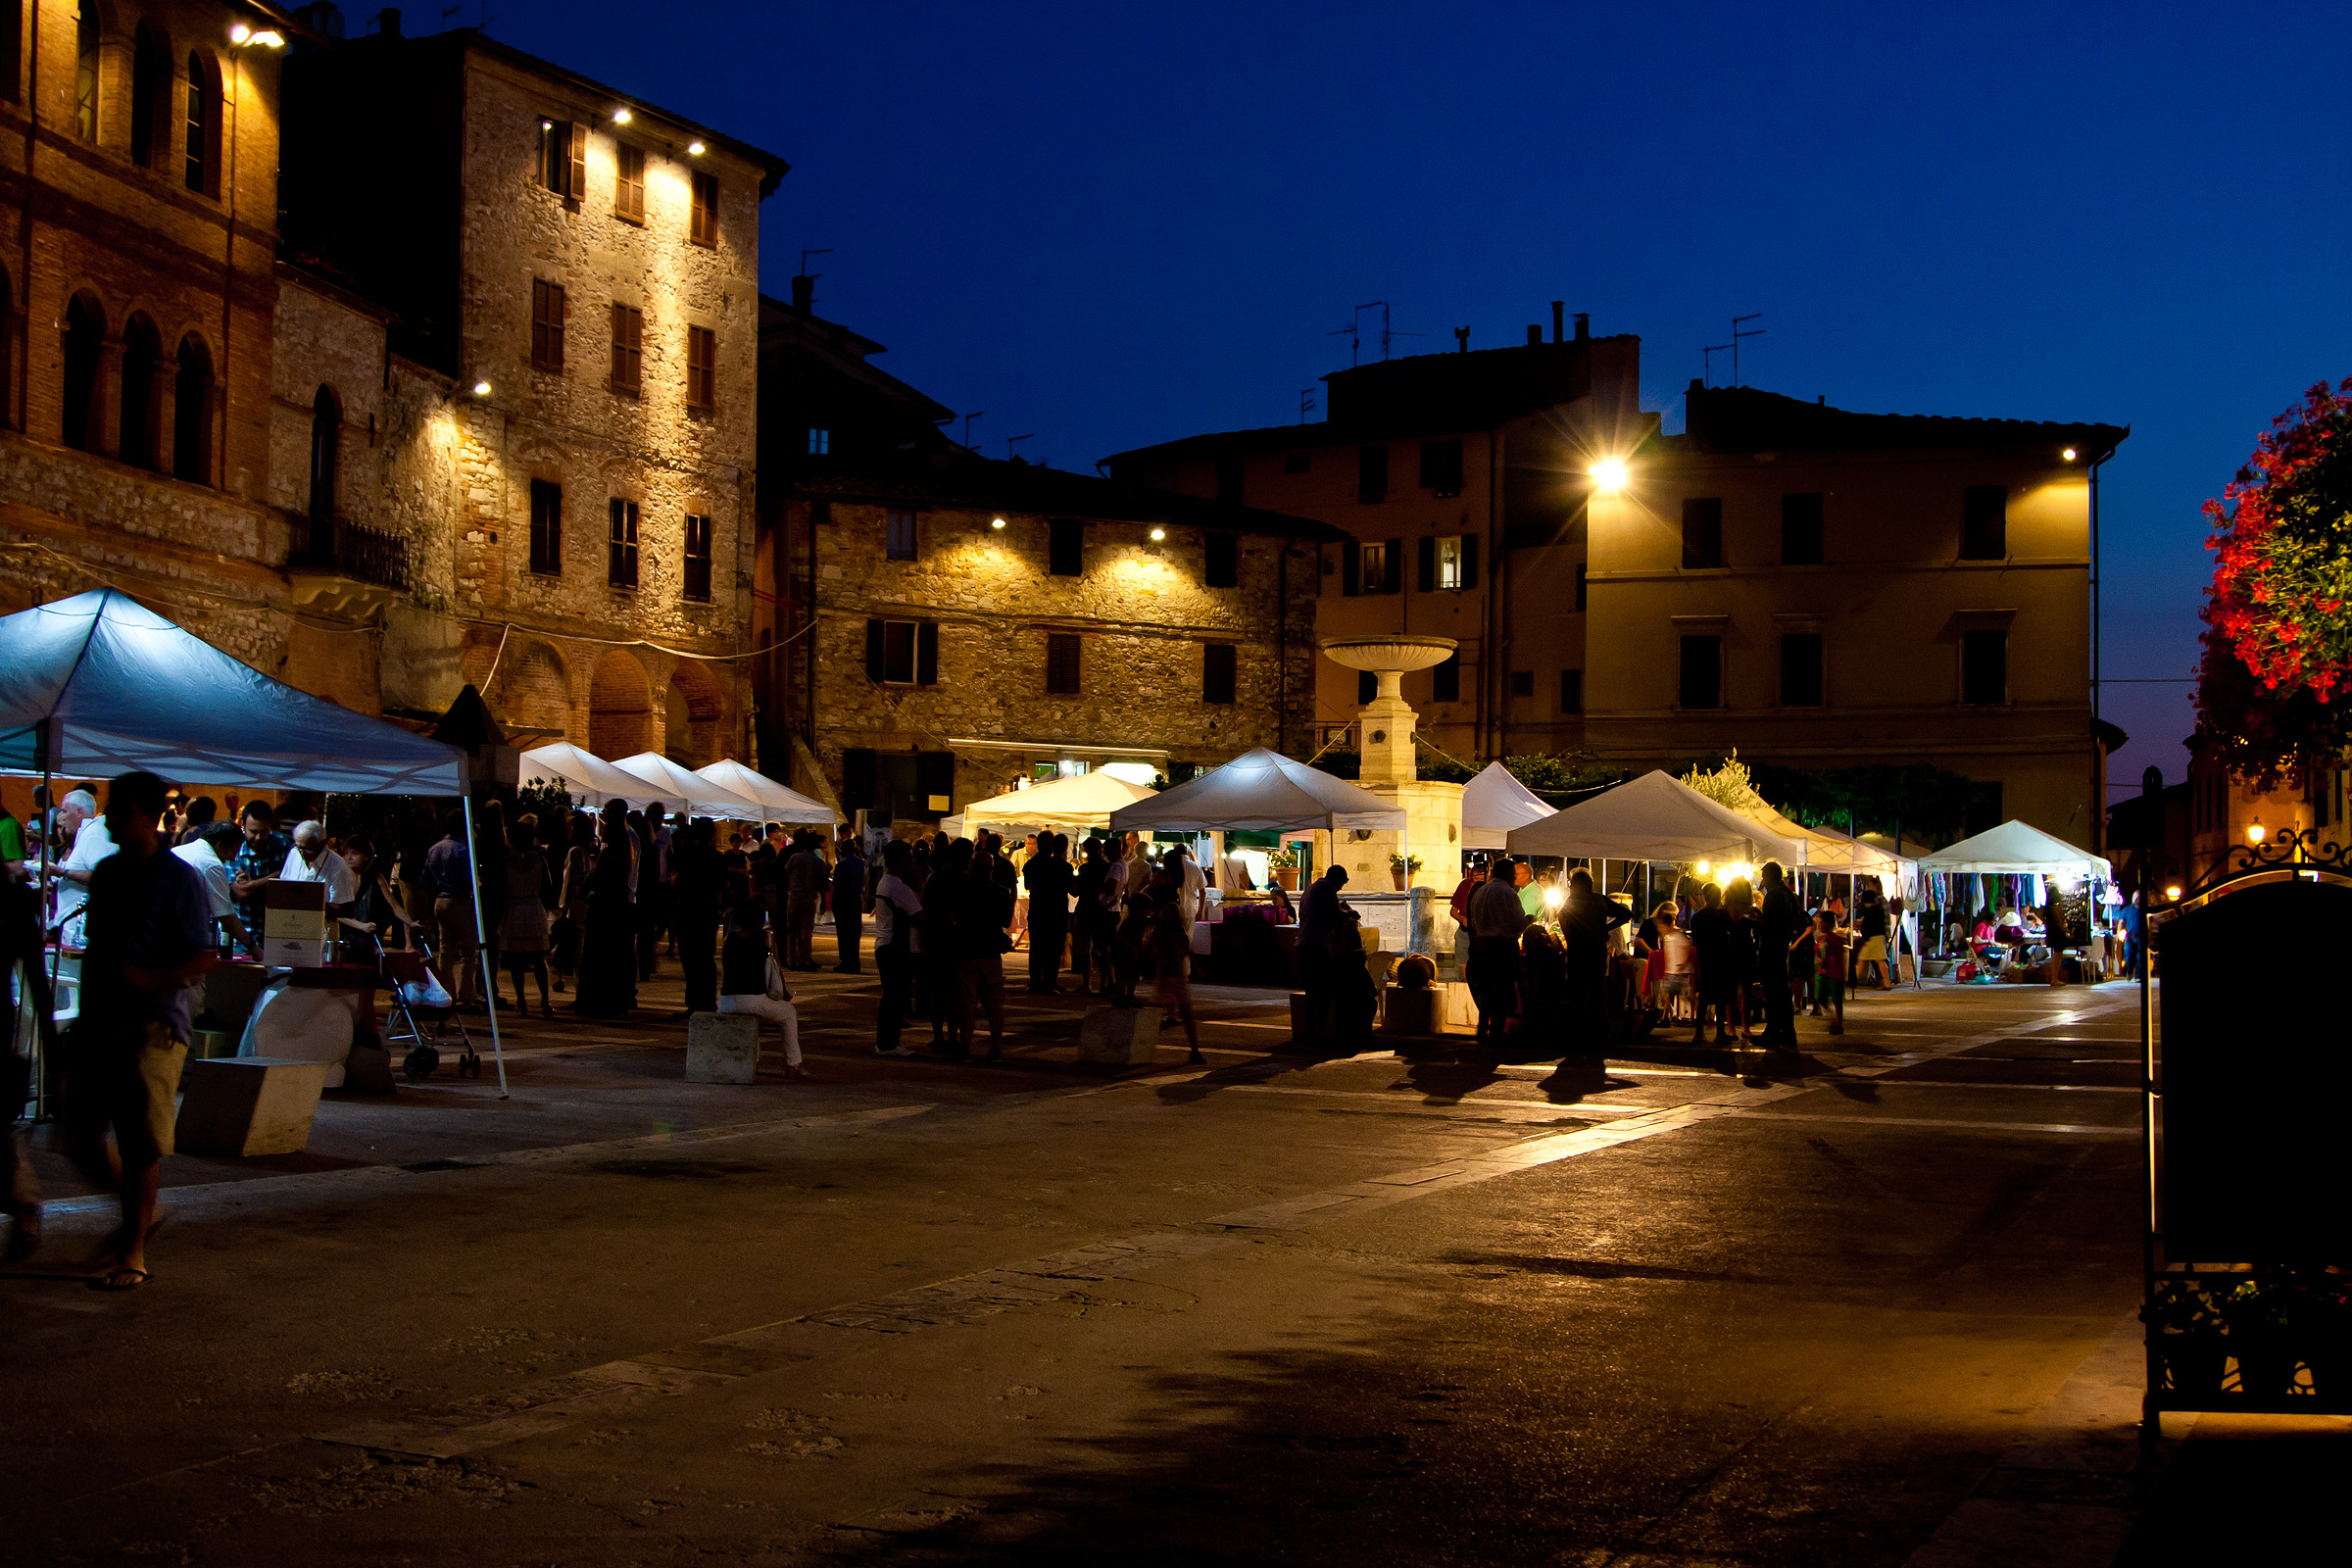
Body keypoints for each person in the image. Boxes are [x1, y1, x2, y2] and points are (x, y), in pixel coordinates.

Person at [61, 772, 216, 1291]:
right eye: (110, 808)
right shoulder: (106, 873)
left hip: (153, 1024)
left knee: (139, 1143)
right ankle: (142, 1215)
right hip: (102, 1018)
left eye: (122, 809)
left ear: (149, 815)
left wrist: (150, 979)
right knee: (79, 1135)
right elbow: (101, 945)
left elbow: (203, 955)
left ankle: (133, 1249)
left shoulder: (180, 878)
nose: (110, 818)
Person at [717, 901, 806, 1079]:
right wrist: (784, 993)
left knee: (752, 1017)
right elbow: (776, 967)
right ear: (760, 921)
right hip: (753, 999)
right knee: (788, 1013)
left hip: (726, 1002)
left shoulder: (729, 939)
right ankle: (793, 1065)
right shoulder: (766, 938)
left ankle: (754, 1060)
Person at [571, 803, 639, 1018]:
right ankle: (610, 1000)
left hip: (606, 907)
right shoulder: (624, 845)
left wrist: (585, 888)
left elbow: (598, 876)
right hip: (615, 905)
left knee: (599, 954)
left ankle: (597, 1000)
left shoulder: (613, 849)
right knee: (611, 955)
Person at [1557, 867, 1631, 1051]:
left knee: (1577, 994)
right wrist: (1605, 928)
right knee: (1596, 993)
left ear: (1574, 885)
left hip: (1576, 953)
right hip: (1597, 952)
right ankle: (1599, 1035)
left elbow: (1563, 922)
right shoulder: (1599, 899)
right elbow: (1626, 914)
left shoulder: (1571, 902)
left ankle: (1578, 1034)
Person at [955, 840, 1013, 1062]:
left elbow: (955, 916)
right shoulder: (1000, 892)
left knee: (967, 1004)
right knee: (994, 1004)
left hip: (967, 950)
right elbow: (1006, 921)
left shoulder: (962, 888)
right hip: (991, 951)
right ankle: (996, 1047)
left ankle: (965, 1047)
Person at [1465, 856, 1531, 1045]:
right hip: (1502, 946)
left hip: (1482, 945)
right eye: (1513, 874)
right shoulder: (1508, 894)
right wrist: (1528, 921)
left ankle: (1483, 1026)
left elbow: (1474, 920)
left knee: (1486, 989)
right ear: (1508, 874)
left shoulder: (1482, 891)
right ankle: (1496, 1028)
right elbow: (1518, 922)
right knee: (1502, 989)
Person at [419, 810, 482, 1006]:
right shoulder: (463, 850)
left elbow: (425, 878)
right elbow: (467, 879)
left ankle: (446, 992)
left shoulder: (434, 849)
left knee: (446, 950)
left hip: (440, 900)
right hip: (460, 901)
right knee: (468, 952)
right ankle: (466, 995)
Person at [870, 841, 923, 1058]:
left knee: (891, 996)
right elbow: (921, 918)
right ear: (899, 859)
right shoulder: (899, 888)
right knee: (894, 997)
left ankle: (887, 1041)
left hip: (884, 946)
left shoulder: (885, 883)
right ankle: (888, 1043)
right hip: (894, 948)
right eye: (908, 856)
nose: (911, 860)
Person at [499, 819, 553, 1017]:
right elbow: (548, 884)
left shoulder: (505, 860)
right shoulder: (539, 858)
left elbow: (502, 886)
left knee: (516, 960)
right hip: (532, 906)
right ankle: (545, 1000)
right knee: (539, 957)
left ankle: (521, 1000)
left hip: (514, 907)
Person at [670, 817, 724, 1015]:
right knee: (705, 958)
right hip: (707, 911)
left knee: (690, 959)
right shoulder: (717, 858)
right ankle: (707, 1001)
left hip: (688, 910)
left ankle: (694, 1002)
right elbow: (721, 885)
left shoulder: (686, 856)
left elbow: (677, 883)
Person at [1298, 863, 1351, 1033]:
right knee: (1324, 991)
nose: (1341, 887)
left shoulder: (1311, 888)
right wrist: (1349, 914)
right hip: (1318, 945)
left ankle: (1310, 1029)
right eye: (1342, 883)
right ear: (1336, 879)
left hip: (1304, 944)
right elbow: (1335, 915)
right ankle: (1321, 1029)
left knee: (1311, 991)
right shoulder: (1328, 888)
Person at [1151, 902, 1206, 1063]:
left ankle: (1195, 1050)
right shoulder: (1163, 932)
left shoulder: (1174, 932)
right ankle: (1194, 1050)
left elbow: (1187, 950)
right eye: (1165, 915)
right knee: (1154, 1014)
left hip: (1176, 976)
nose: (1167, 918)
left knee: (1186, 1014)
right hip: (1166, 976)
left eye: (1170, 915)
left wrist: (1196, 968)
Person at [1754, 861, 1800, 1050]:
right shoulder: (1790, 896)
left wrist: (1756, 919)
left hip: (1772, 947)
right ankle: (1787, 1031)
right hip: (1782, 946)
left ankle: (1773, 1031)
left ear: (1771, 876)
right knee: (1782, 991)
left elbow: (1769, 924)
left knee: (1773, 991)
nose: (1762, 880)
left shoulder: (1774, 895)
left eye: (1764, 876)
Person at [278, 819, 360, 920]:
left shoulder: (337, 866)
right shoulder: (294, 853)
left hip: (321, 930)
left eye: (308, 849)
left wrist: (310, 904)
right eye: (299, 847)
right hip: (292, 924)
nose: (302, 854)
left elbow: (348, 910)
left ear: (322, 844)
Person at [1023, 833, 1072, 994]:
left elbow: (1027, 885)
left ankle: (1036, 980)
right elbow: (1074, 890)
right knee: (1054, 948)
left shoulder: (1032, 864)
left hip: (1038, 909)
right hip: (1057, 911)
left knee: (1037, 948)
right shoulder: (1063, 866)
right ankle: (1050, 980)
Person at [1688, 882, 1734, 1046]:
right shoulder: (1723, 915)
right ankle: (1720, 1032)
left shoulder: (1697, 917)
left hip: (1705, 958)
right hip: (1721, 958)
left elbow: (1695, 941)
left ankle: (1699, 1033)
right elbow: (1731, 936)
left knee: (1705, 996)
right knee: (1721, 997)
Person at [1798, 906, 1849, 1034]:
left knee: (1837, 1000)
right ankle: (1833, 1016)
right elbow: (1819, 955)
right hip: (1824, 973)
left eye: (1821, 922)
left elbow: (1838, 956)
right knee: (1820, 997)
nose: (1819, 925)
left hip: (1835, 973)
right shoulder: (1821, 939)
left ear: (1830, 924)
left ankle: (1838, 1022)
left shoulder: (1836, 940)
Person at [781, 830, 828, 971]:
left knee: (792, 931)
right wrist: (824, 901)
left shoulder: (794, 858)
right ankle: (804, 959)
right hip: (809, 897)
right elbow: (822, 882)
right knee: (807, 931)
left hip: (794, 896)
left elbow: (786, 873)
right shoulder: (818, 862)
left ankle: (792, 959)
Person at [1070, 839, 1106, 991]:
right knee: (1096, 948)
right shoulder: (1103, 867)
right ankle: (1096, 982)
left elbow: (1075, 891)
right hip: (1094, 909)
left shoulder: (1087, 868)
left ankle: (1090, 982)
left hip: (1089, 909)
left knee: (1094, 948)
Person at [831, 833, 868, 973]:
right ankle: (855, 960)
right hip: (855, 898)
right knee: (854, 931)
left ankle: (846, 961)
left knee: (843, 931)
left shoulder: (841, 864)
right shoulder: (862, 863)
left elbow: (837, 883)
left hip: (843, 898)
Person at [1655, 906, 1695, 1026]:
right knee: (1667, 993)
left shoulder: (1677, 936)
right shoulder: (1668, 938)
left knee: (1684, 995)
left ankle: (1691, 1016)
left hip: (1680, 971)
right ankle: (1666, 1016)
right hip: (1673, 970)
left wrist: (1682, 964)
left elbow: (1687, 948)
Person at [1854, 883, 1893, 991]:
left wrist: (1865, 936)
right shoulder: (1878, 909)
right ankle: (1887, 983)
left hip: (1872, 939)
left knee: (1862, 960)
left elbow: (1867, 926)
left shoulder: (1870, 911)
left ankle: (1853, 981)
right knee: (1880, 960)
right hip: (1879, 937)